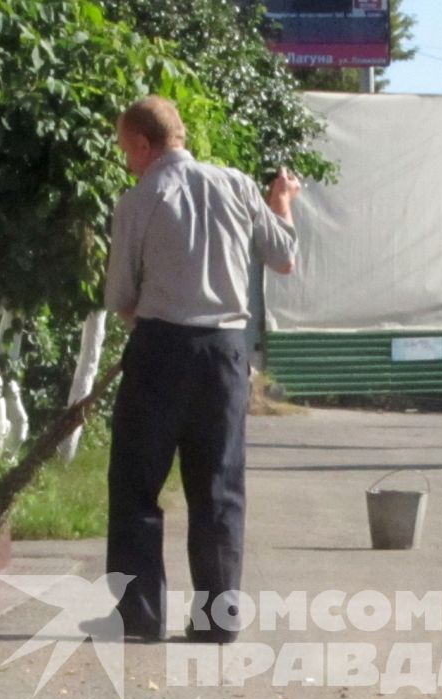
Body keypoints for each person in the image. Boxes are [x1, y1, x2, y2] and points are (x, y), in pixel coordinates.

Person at [103, 95, 300, 643]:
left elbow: (121, 296)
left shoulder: (138, 201)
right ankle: (216, 621)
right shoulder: (237, 185)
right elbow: (284, 255)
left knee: (137, 485)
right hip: (225, 354)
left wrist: (151, 317)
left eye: (127, 151)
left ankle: (139, 617)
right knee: (218, 486)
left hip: (161, 350)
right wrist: (282, 201)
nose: (128, 162)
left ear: (144, 145)